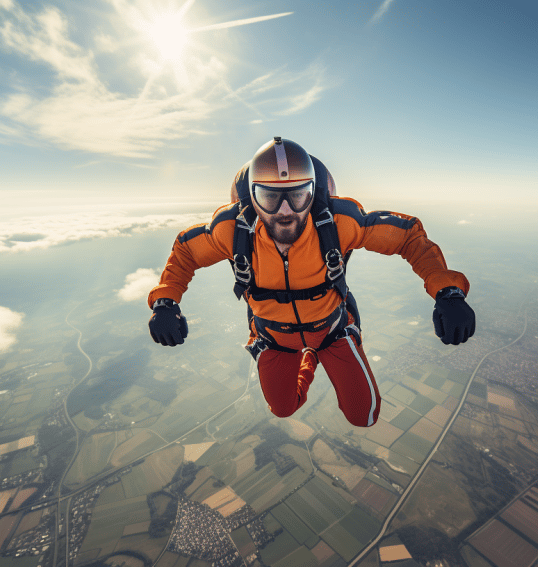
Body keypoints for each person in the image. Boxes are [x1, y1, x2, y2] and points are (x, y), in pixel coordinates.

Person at [148, 137, 475, 428]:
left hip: (332, 330)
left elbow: (409, 237)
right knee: (283, 409)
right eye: (270, 198)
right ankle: (309, 359)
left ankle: (324, 347)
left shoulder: (338, 222)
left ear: (314, 195)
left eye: (299, 195)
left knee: (366, 415)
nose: (285, 211)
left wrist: (447, 291)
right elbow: (186, 252)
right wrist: (166, 301)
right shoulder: (232, 230)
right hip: (273, 335)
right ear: (251, 201)